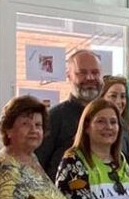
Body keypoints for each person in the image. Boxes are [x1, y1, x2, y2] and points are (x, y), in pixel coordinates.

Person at [36, 48, 104, 176]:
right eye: (82, 73)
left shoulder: (116, 122)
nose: (90, 78)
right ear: (69, 76)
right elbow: (37, 167)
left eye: (95, 72)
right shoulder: (53, 119)